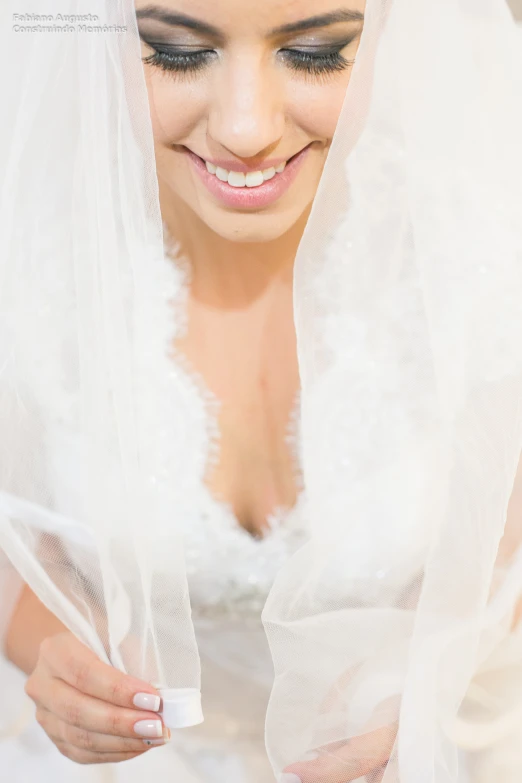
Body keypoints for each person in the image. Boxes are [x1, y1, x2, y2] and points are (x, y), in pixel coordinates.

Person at [1, 1, 522, 782]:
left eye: (314, 52)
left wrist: (433, 657)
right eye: (175, 53)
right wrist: (51, 646)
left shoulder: (479, 237)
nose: (246, 127)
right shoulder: (27, 253)